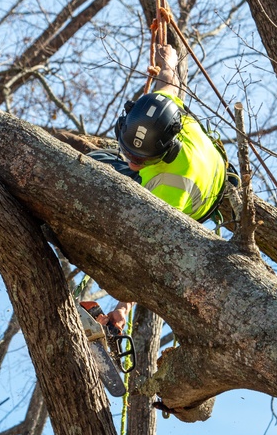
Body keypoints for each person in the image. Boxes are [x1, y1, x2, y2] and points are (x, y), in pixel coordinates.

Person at [91, 43, 229, 332]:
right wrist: (169, 62)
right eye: (128, 152)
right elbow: (170, 84)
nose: (131, 162)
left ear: (165, 151)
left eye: (140, 159)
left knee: (93, 173)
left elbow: (145, 256)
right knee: (99, 158)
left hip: (194, 200)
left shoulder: (168, 189)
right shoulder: (168, 115)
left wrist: (121, 308)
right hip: (209, 169)